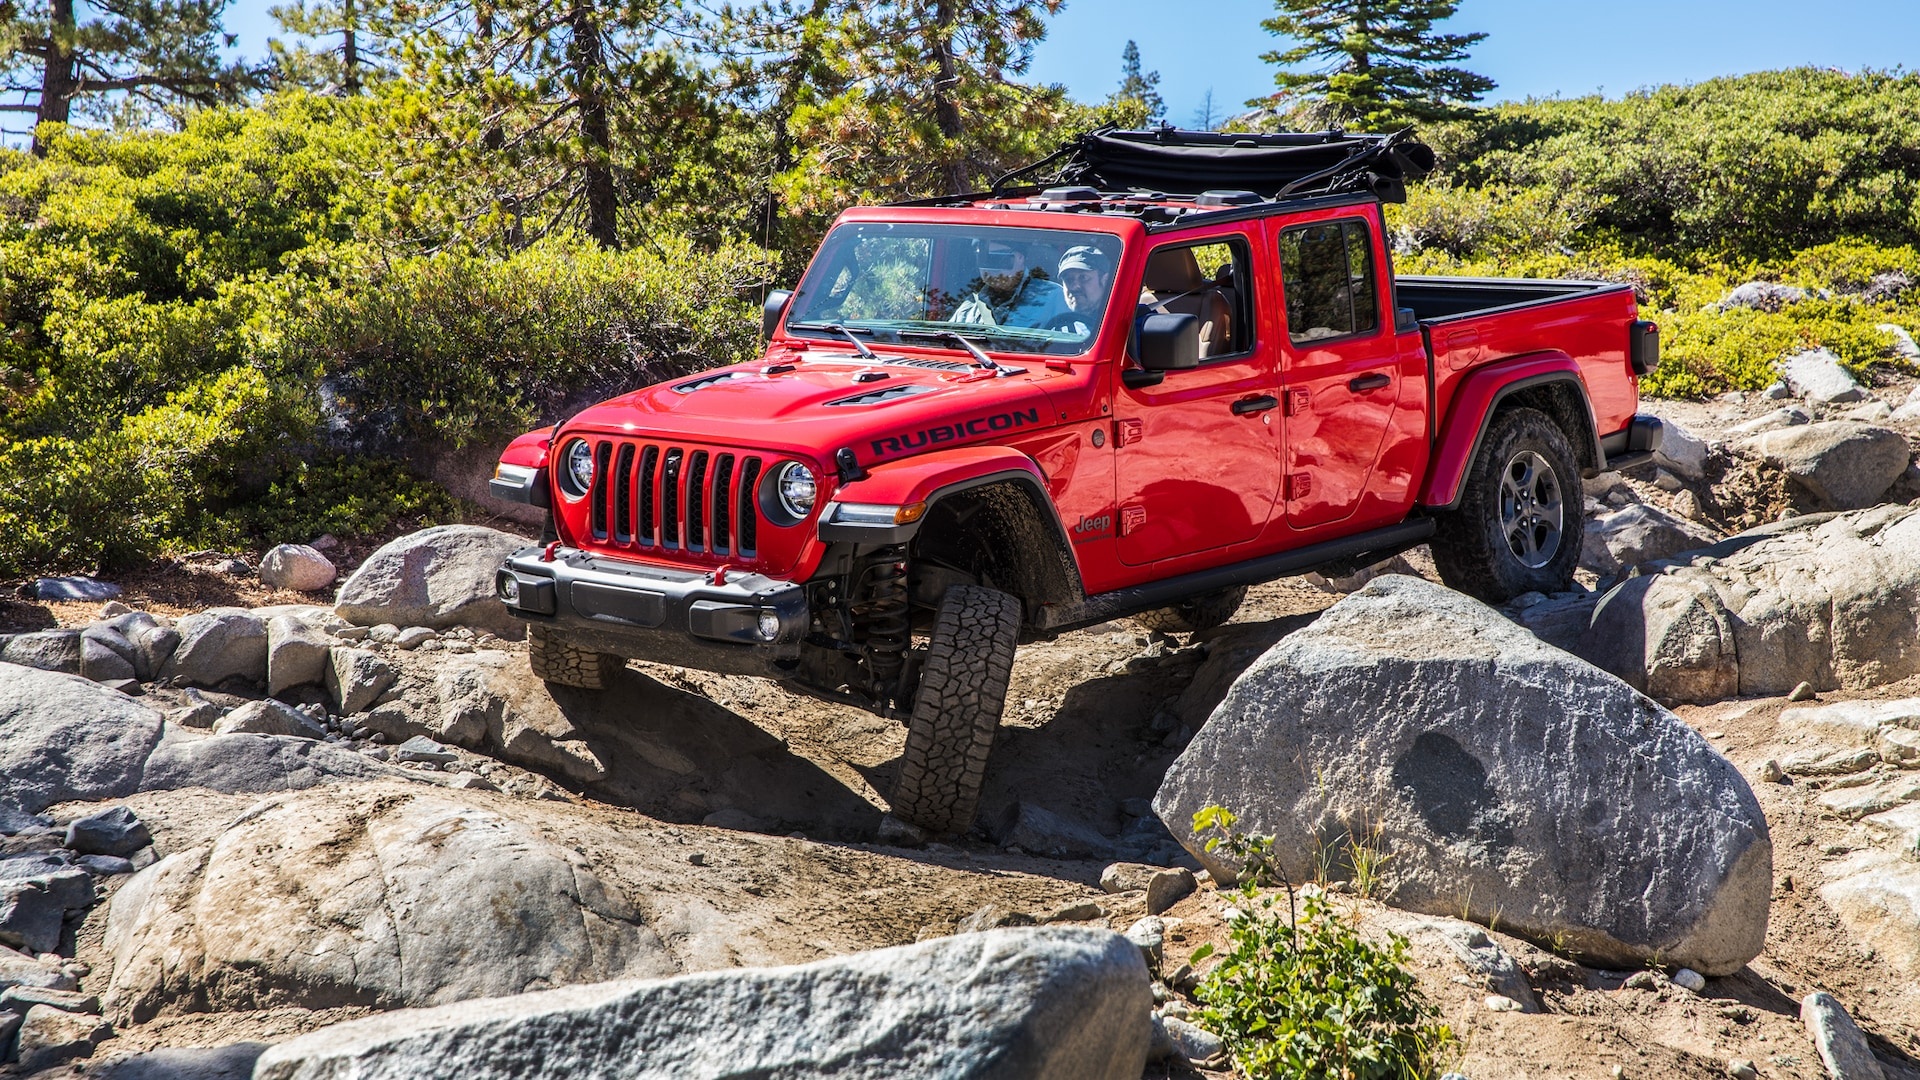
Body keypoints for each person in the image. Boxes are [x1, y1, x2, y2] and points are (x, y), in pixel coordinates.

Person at [951, 239, 1068, 329]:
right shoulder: (970, 307)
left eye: (997, 259)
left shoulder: (1054, 298)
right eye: (982, 259)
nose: (990, 268)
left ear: (1020, 257)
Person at [1056, 245, 1112, 333]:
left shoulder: (1118, 322)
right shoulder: (1054, 322)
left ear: (1104, 280)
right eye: (1069, 280)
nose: (1074, 287)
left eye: (1083, 278)